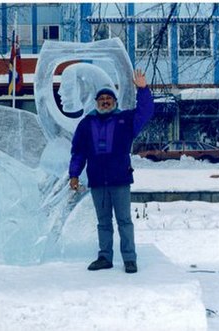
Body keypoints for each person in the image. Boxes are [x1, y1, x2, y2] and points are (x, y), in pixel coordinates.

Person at [68, 69, 154, 274]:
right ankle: (105, 257)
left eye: (109, 98)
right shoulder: (86, 124)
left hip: (120, 179)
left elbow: (145, 111)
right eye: (102, 99)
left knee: (124, 221)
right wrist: (74, 174)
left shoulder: (126, 120)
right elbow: (78, 152)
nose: (105, 101)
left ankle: (130, 259)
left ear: (114, 102)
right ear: (96, 102)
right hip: (97, 181)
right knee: (103, 222)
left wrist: (143, 89)